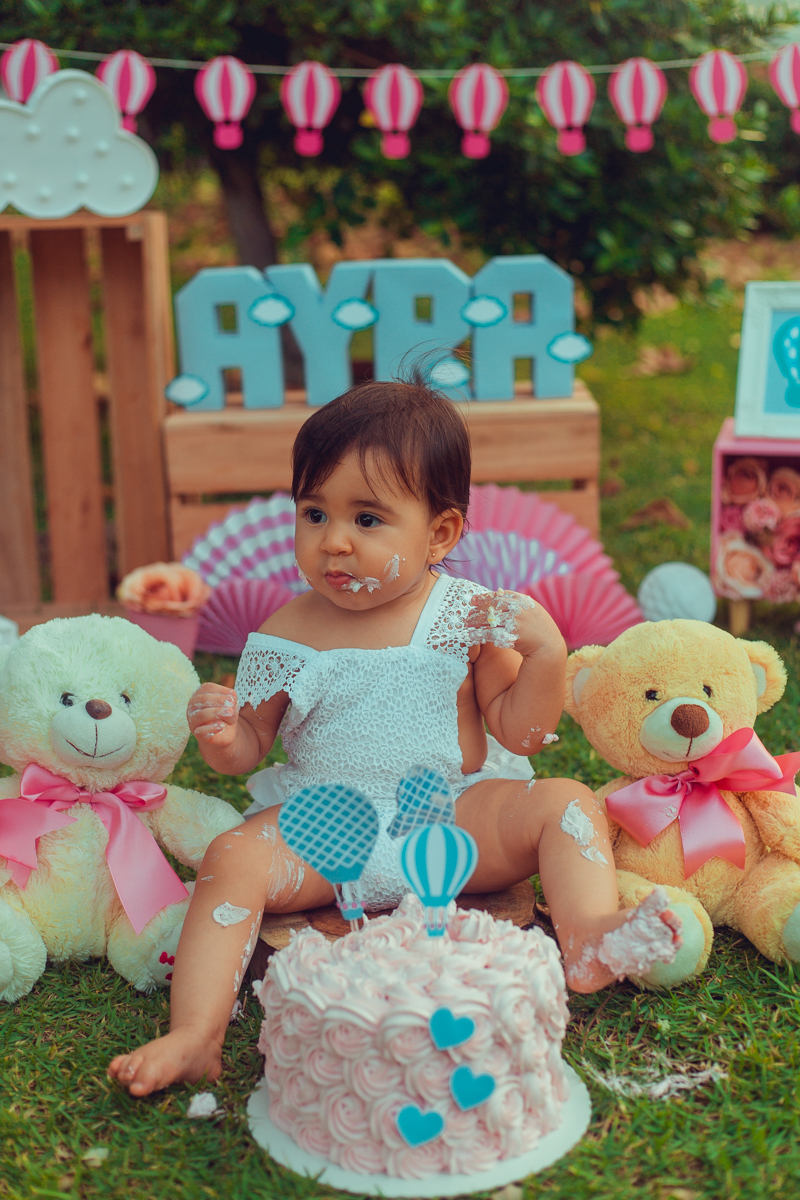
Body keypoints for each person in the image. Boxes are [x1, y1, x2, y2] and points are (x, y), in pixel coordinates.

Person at [109, 375, 680, 1097]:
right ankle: (197, 1033)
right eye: (314, 513)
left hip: (453, 820)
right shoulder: (284, 634)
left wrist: (545, 655)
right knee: (232, 856)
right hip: (328, 830)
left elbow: (523, 731)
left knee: (565, 801)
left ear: (439, 533)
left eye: (368, 519)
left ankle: (590, 932)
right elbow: (250, 744)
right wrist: (225, 733)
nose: (334, 541)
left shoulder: (467, 616)